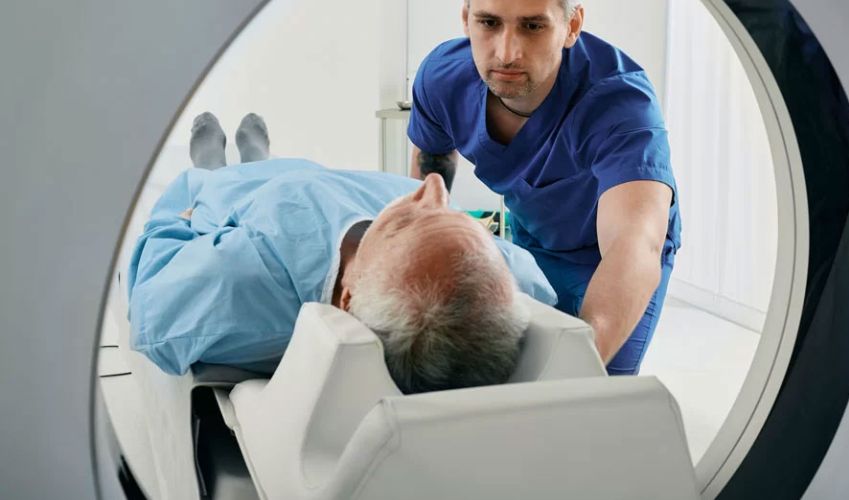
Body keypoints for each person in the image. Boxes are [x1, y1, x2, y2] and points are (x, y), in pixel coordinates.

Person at [127, 112, 557, 394]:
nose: (434, 186)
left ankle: (209, 165)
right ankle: (259, 156)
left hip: (242, 203)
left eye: (408, 223)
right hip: (330, 183)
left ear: (347, 298)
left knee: (212, 183)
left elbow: (152, 300)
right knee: (284, 167)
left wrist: (178, 220)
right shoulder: (513, 279)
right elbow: (535, 284)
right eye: (452, 216)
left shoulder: (240, 284)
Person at [407, 0, 681, 375]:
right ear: (466, 19)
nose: (506, 53)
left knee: (592, 388)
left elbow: (633, 243)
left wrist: (575, 370)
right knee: (509, 367)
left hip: (611, 257)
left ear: (571, 26)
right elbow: (430, 173)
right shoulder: (442, 78)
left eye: (533, 26)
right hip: (534, 238)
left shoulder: (620, 104)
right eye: (488, 22)